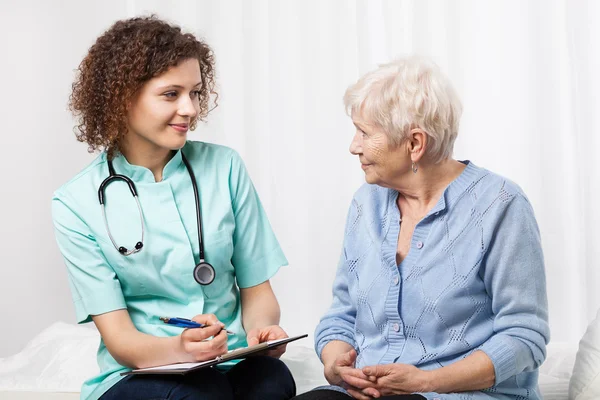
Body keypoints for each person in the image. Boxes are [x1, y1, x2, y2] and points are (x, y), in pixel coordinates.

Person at [52, 16, 295, 400]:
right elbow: (121, 340)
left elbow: (257, 291)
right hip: (140, 371)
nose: (190, 109)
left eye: (195, 92)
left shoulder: (225, 168)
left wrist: (261, 332)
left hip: (228, 359)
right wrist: (181, 349)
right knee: (201, 394)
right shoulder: (76, 202)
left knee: (273, 382)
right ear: (123, 97)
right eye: (171, 94)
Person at [294, 57, 550, 400]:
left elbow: (524, 337)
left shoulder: (501, 205)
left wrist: (425, 382)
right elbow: (342, 314)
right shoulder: (365, 204)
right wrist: (336, 364)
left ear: (415, 144)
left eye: (365, 133)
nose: (353, 146)